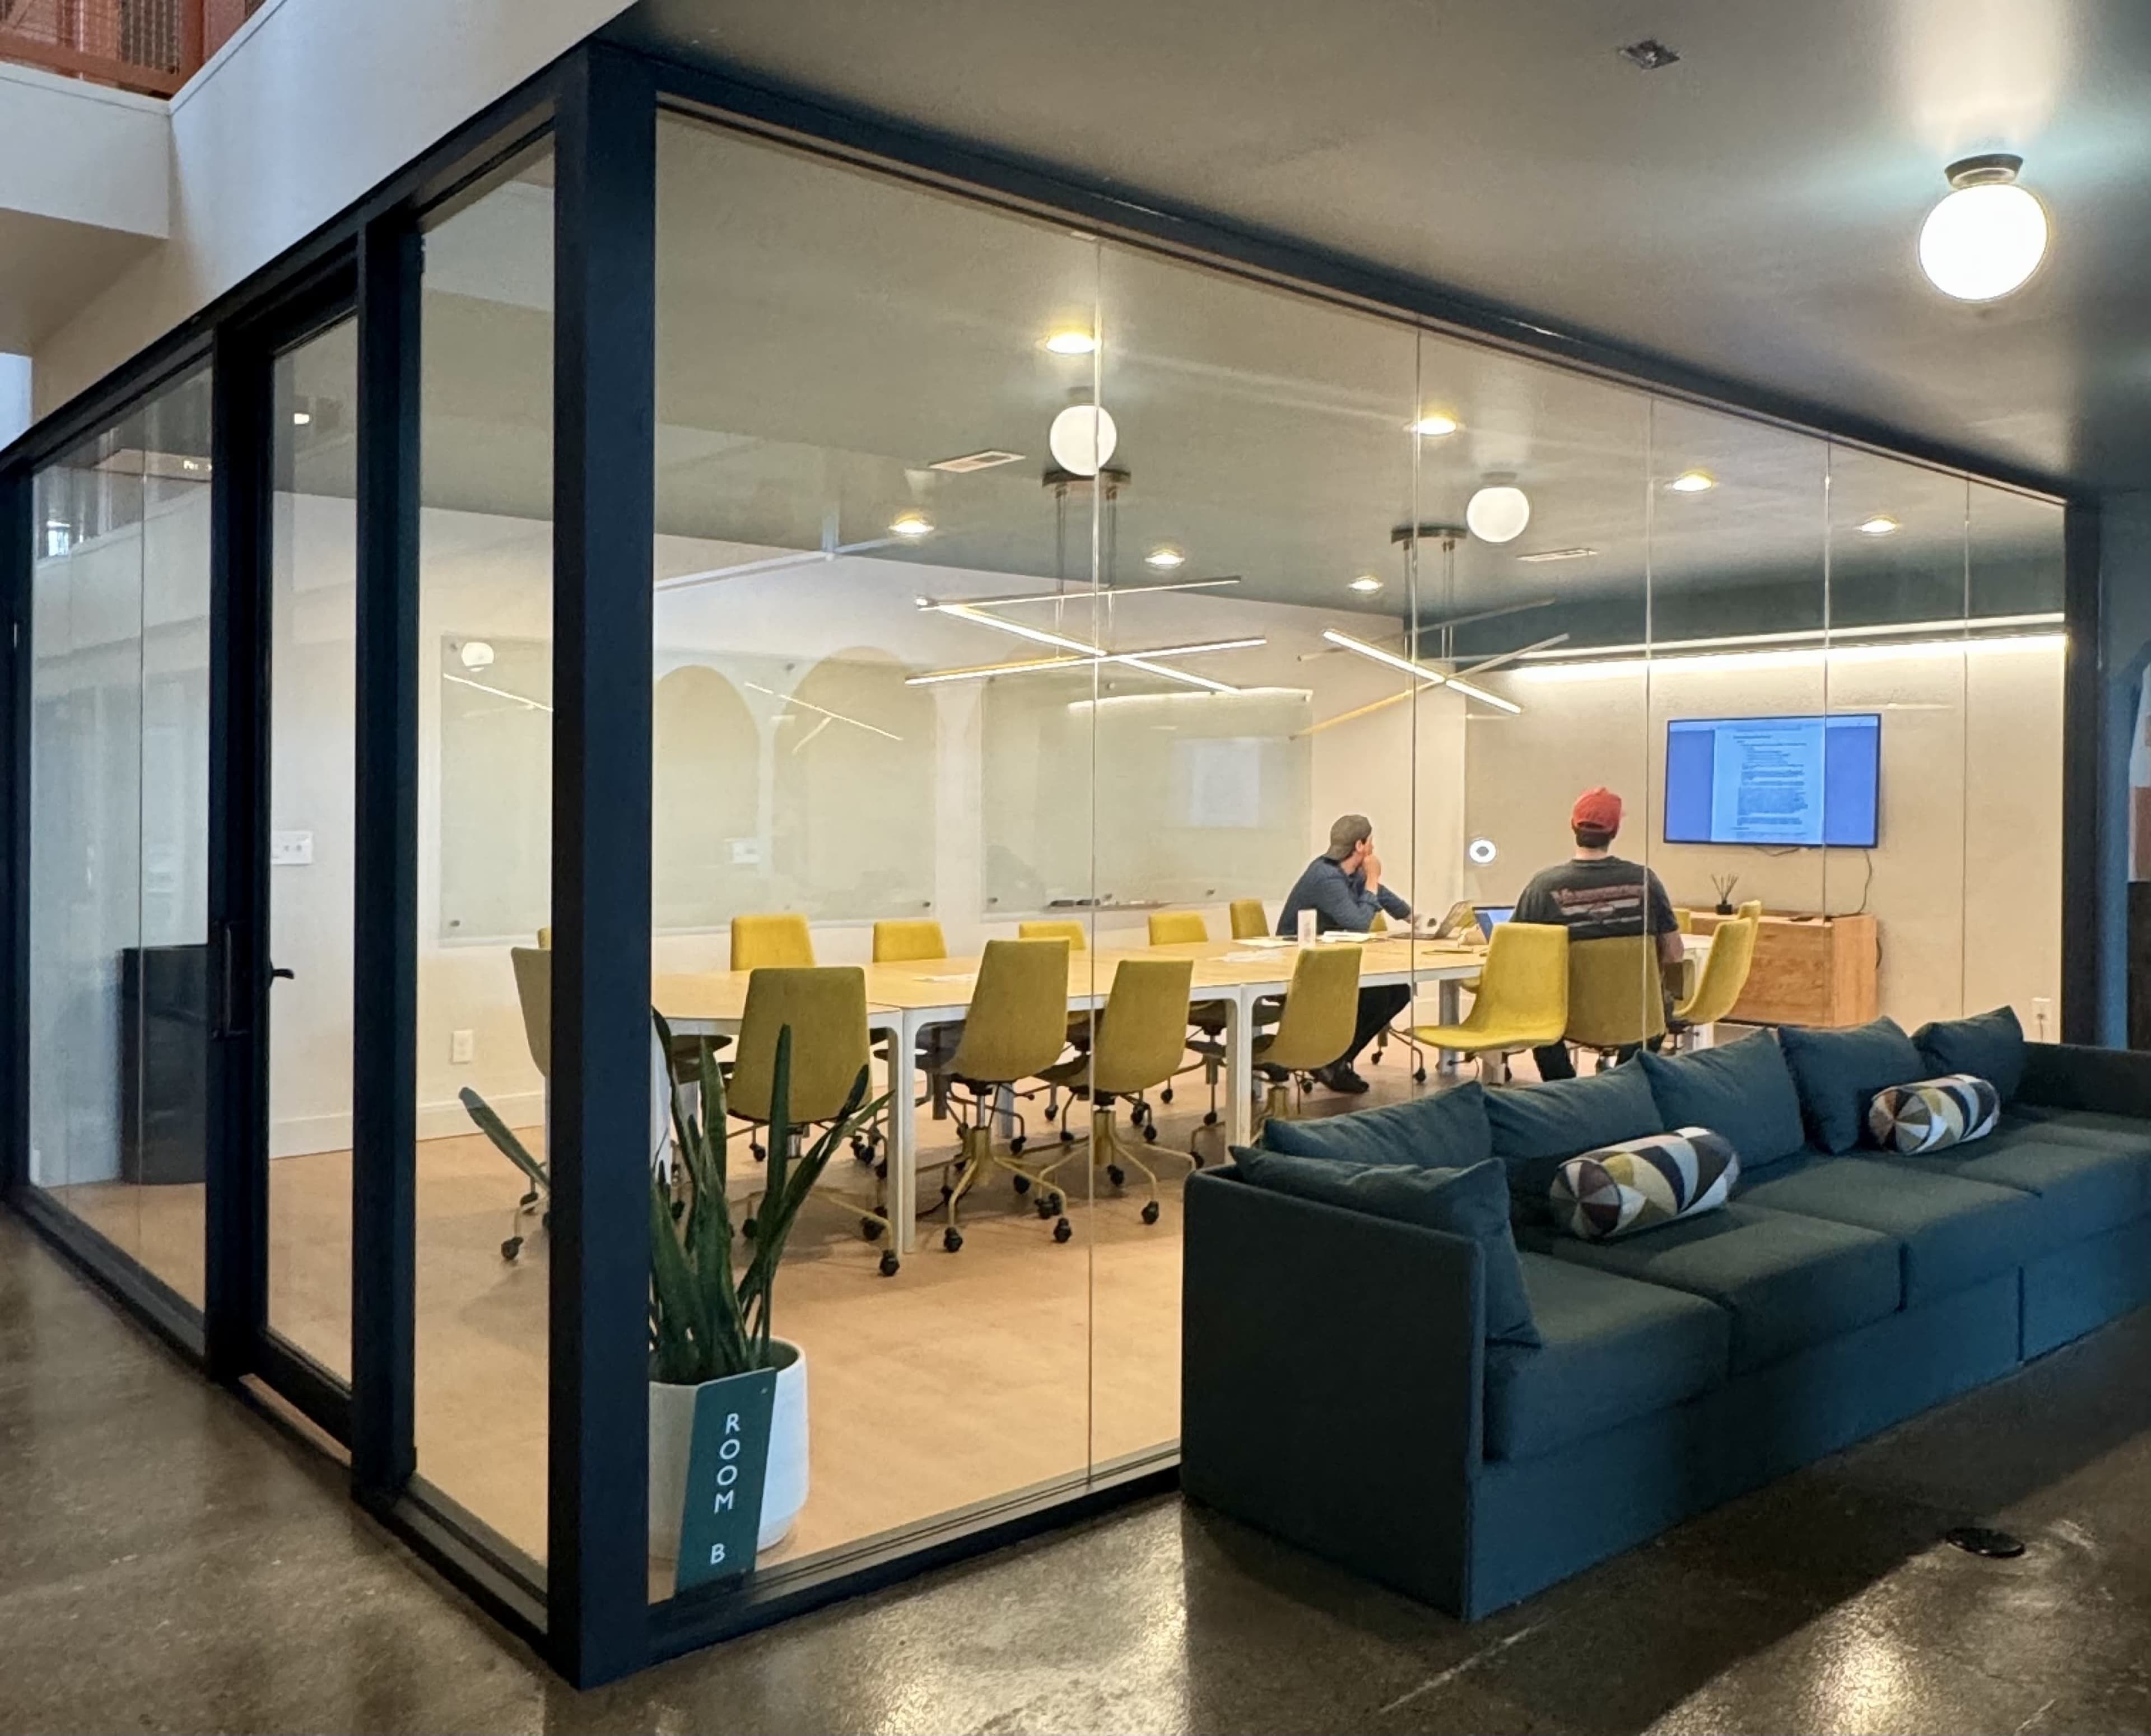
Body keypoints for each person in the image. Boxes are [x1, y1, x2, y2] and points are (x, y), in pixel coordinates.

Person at [1513, 786, 1682, 1081]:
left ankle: (1564, 1088)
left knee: (1535, 1009)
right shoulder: (1646, 881)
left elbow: (1515, 957)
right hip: (1637, 1016)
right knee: (1659, 1006)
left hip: (1567, 1016)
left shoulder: (1543, 886)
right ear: (1614, 831)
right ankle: (1625, 1082)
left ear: (1573, 827)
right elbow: (1673, 953)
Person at [1276, 814, 1413, 1093]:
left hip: (1331, 961)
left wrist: (1418, 921)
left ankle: (1336, 1060)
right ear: (1361, 845)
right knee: (1376, 994)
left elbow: (1388, 900)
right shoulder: (1325, 877)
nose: (1373, 849)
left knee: (1398, 990)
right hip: (1300, 965)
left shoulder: (1351, 874)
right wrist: (1373, 878)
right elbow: (1359, 923)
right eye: (1371, 843)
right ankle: (1330, 1060)